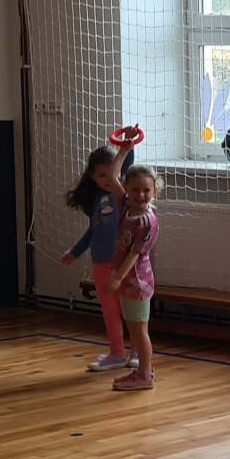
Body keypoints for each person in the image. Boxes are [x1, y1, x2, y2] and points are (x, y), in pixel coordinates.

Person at [61, 137, 137, 372]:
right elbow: (93, 231)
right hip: (102, 263)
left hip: (126, 264)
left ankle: (137, 352)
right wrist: (75, 252)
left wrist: (128, 145)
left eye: (111, 174)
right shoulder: (96, 200)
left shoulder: (123, 196)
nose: (107, 179)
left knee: (132, 310)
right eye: (101, 175)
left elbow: (127, 163)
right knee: (110, 310)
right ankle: (117, 353)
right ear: (92, 176)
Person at [107, 167, 160, 392]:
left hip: (137, 283)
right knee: (134, 330)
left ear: (154, 191)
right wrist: (123, 151)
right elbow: (112, 176)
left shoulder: (148, 221)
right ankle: (143, 370)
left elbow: (134, 254)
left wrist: (117, 277)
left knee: (139, 332)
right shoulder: (126, 208)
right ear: (126, 189)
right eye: (135, 189)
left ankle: (145, 375)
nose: (141, 194)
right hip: (127, 283)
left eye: (146, 190)